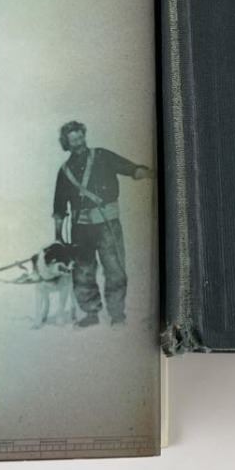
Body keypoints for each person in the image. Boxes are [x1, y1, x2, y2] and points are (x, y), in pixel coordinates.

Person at [51, 121, 152, 328]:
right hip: (80, 229)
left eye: (81, 137)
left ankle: (117, 315)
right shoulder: (64, 171)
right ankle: (90, 313)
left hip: (108, 224)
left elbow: (130, 168)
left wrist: (149, 172)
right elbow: (59, 208)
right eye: (73, 140)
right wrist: (58, 236)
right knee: (82, 271)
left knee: (115, 269)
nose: (79, 143)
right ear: (66, 143)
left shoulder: (102, 156)